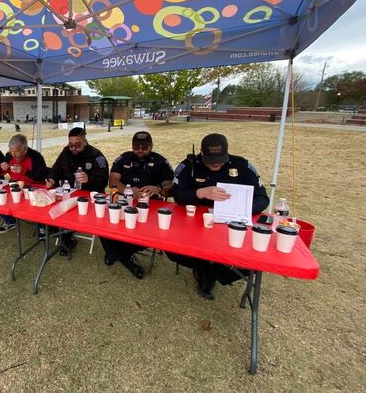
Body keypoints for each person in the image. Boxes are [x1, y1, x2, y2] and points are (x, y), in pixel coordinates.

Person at [170, 133, 270, 300]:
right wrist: (200, 193)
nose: (216, 162)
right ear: (201, 153)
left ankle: (209, 274)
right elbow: (178, 195)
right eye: (210, 158)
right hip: (196, 225)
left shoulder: (242, 166)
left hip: (232, 224)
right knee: (173, 249)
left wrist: (240, 208)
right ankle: (203, 268)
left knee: (249, 262)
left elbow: (262, 198)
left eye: (220, 158)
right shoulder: (189, 166)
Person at [100, 131, 174, 279]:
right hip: (124, 202)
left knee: (151, 233)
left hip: (151, 206)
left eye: (144, 147)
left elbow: (172, 188)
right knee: (103, 222)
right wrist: (127, 190)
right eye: (136, 147)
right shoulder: (123, 158)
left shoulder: (160, 162)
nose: (140, 150)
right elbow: (113, 181)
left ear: (151, 146)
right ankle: (123, 255)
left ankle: (118, 254)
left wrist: (158, 188)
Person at [45, 127, 109, 254]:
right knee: (49, 210)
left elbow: (103, 181)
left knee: (67, 212)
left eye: (77, 145)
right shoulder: (66, 152)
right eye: (71, 145)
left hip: (87, 196)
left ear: (85, 141)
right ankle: (64, 236)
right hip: (67, 193)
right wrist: (51, 179)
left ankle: (65, 237)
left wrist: (89, 179)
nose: (73, 148)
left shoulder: (96, 156)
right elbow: (55, 169)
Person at [0, 134, 47, 233]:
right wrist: (3, 168)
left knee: (39, 203)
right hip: (15, 186)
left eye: (17, 151)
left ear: (25, 149)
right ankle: (10, 221)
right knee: (0, 197)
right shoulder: (9, 155)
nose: (14, 155)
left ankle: (42, 227)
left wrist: (23, 171)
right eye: (12, 151)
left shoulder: (35, 157)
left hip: (34, 187)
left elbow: (41, 176)